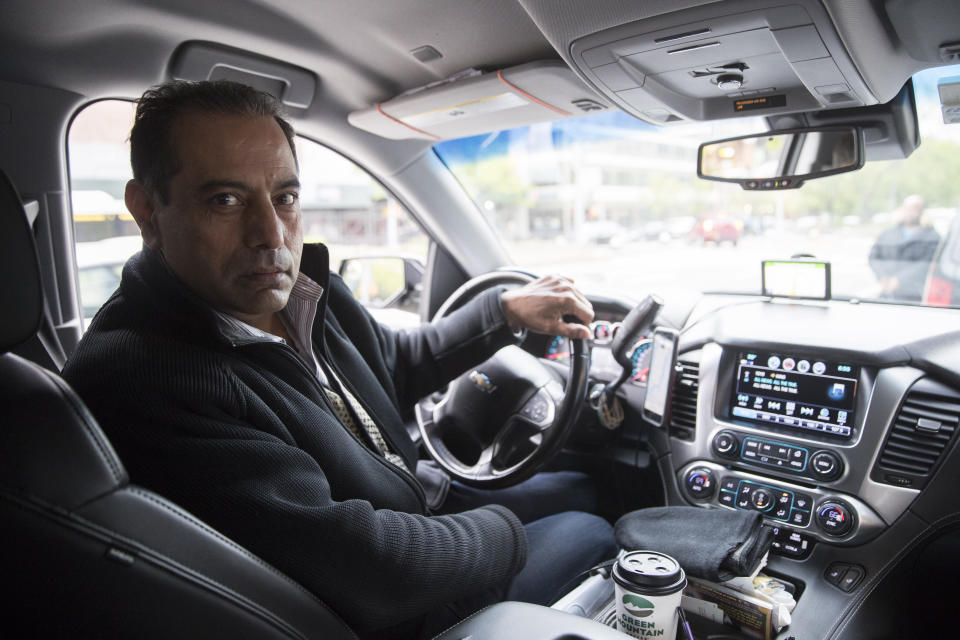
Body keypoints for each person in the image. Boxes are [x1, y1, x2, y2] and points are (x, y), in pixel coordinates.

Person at [62, 80, 617, 638]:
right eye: (225, 200)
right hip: (398, 610)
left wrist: (504, 313)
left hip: (408, 508)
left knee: (588, 484)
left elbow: (391, 363)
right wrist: (507, 531)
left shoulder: (297, 290)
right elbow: (372, 568)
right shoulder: (145, 376)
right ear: (147, 211)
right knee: (590, 527)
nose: (271, 235)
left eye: (284, 197)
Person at [868, 194, 941, 301]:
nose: (910, 212)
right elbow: (873, 257)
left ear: (922, 211)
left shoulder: (932, 237)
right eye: (907, 208)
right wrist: (882, 277)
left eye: (915, 208)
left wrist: (900, 280)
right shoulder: (887, 234)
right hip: (886, 296)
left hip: (914, 297)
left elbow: (927, 264)